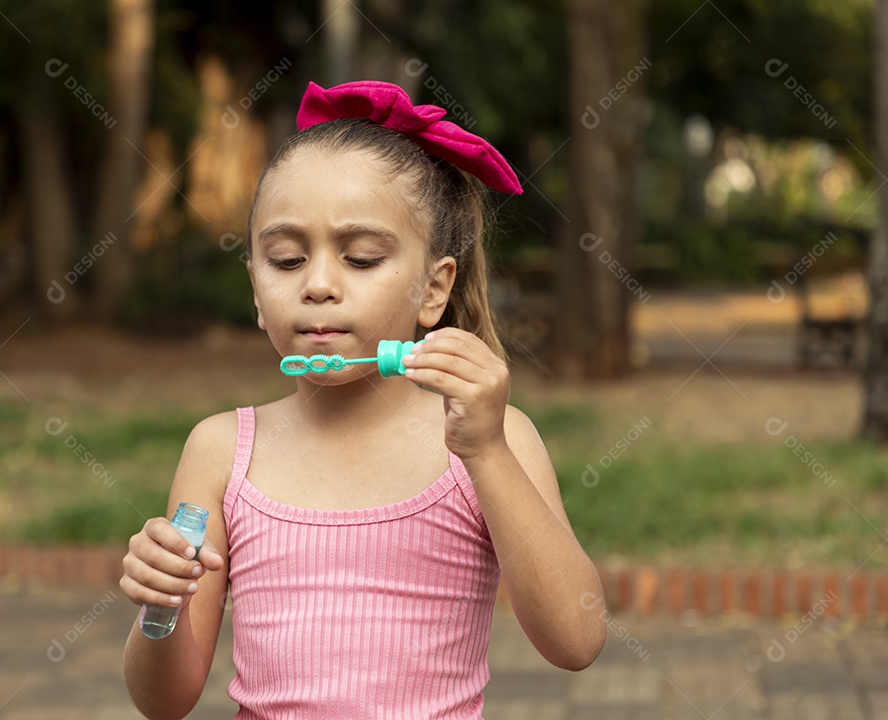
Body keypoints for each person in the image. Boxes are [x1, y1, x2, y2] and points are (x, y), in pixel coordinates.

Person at [119, 80, 606, 719]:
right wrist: (161, 607)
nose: (319, 284)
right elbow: (164, 701)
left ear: (434, 290)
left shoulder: (490, 438)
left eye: (362, 258)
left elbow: (577, 640)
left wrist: (486, 451)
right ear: (255, 291)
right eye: (288, 260)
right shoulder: (220, 452)